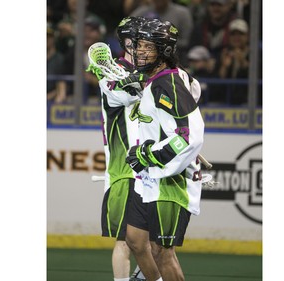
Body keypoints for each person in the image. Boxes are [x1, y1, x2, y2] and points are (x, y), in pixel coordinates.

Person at [124, 18, 205, 281]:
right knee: (137, 241)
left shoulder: (166, 84)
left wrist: (147, 155)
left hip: (171, 183)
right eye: (138, 45)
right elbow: (193, 91)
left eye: (147, 46)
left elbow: (188, 135)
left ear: (165, 50)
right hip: (152, 179)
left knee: (161, 251)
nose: (139, 51)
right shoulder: (159, 79)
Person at [86, 16, 151, 281]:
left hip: (151, 169)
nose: (148, 47)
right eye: (143, 42)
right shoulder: (111, 73)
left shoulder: (153, 73)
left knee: (155, 245)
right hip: (124, 171)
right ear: (128, 42)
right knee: (125, 241)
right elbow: (124, 94)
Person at [130, 0, 193, 65]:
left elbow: (186, 41)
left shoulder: (182, 13)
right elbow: (128, 30)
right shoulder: (143, 11)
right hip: (144, 57)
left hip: (175, 57)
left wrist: (162, 43)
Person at [217, 18, 250, 105]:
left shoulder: (254, 54)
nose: (236, 38)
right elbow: (218, 82)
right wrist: (224, 66)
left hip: (248, 101)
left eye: (240, 34)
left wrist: (243, 62)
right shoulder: (224, 52)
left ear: (247, 36)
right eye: (233, 34)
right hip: (226, 101)